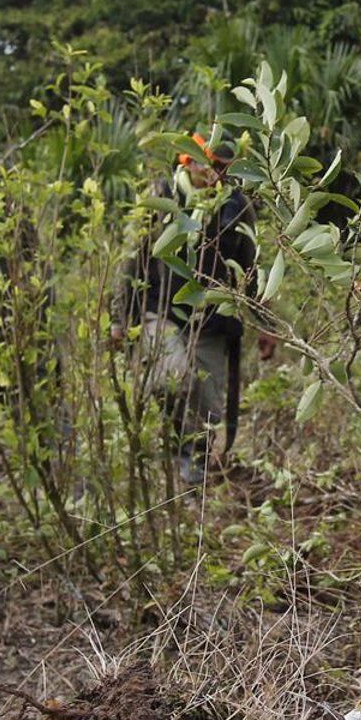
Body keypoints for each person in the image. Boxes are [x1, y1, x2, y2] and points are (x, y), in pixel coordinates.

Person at [114, 135, 274, 486]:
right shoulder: (163, 197)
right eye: (208, 164)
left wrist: (266, 324)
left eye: (222, 168)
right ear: (189, 162)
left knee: (208, 406)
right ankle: (174, 450)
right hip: (162, 309)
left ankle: (193, 473)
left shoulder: (237, 206)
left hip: (214, 320)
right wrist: (119, 319)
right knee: (174, 379)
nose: (213, 174)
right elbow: (129, 261)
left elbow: (251, 267)